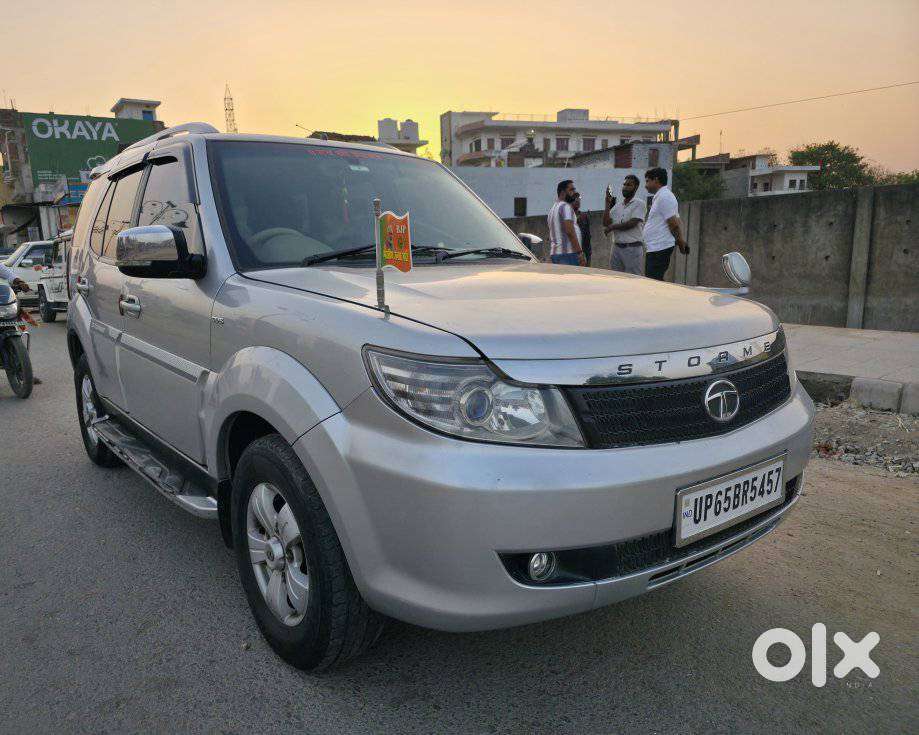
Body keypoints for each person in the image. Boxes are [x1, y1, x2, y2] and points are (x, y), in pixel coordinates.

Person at [642, 167, 689, 280]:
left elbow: (674, 224)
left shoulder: (665, 196)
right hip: (655, 247)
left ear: (656, 180)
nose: (645, 185)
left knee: (653, 282)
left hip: (659, 248)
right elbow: (676, 220)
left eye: (647, 181)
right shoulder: (660, 196)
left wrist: (681, 243)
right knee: (653, 280)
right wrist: (681, 241)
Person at [603, 174, 646, 275]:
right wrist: (607, 203)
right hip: (616, 248)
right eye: (624, 184)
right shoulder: (617, 206)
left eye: (629, 185)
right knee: (616, 279)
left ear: (636, 187)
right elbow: (606, 223)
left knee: (633, 279)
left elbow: (632, 223)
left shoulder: (639, 204)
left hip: (632, 248)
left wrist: (612, 227)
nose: (625, 187)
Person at [547, 180, 586, 266]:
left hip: (556, 254)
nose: (574, 192)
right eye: (571, 190)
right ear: (562, 192)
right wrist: (580, 253)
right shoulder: (565, 207)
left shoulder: (552, 209)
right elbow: (570, 231)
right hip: (568, 254)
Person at [573, 193, 592, 266]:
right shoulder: (567, 218)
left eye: (579, 199)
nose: (578, 201)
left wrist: (588, 256)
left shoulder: (584, 217)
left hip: (583, 253)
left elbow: (587, 238)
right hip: (570, 254)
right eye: (575, 199)